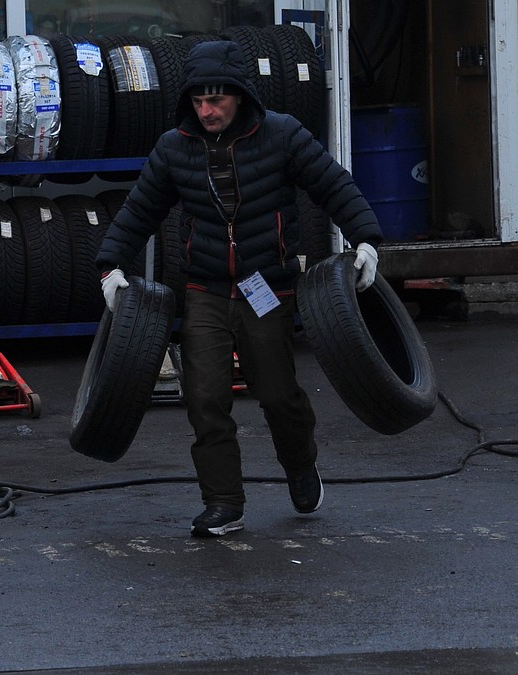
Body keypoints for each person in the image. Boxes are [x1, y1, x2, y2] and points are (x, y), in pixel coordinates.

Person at [95, 40, 383, 538]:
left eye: (216, 101)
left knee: (277, 395)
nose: (206, 111)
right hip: (205, 288)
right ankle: (224, 503)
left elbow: (333, 185)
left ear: (240, 96)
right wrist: (109, 267)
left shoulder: (282, 136)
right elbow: (140, 210)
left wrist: (366, 240)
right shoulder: (174, 147)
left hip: (263, 285)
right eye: (197, 101)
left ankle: (300, 465)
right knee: (205, 398)